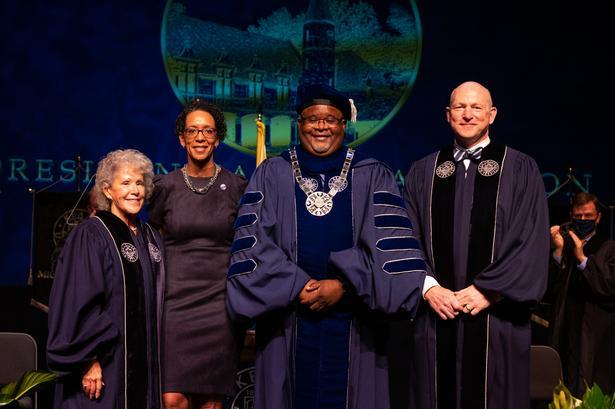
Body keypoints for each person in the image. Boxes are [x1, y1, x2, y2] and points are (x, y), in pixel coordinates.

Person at [226, 84, 427, 409]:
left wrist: (345, 287)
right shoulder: (272, 174)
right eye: (312, 119)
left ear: (344, 125)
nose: (321, 126)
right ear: (299, 123)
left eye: (331, 119)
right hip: (287, 322)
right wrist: (296, 285)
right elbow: (253, 246)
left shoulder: (373, 174)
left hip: (355, 324)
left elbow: (389, 251)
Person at [403, 81, 550, 409]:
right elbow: (404, 239)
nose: (467, 114)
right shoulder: (423, 171)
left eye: (476, 108)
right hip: (436, 316)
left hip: (496, 318)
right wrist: (428, 288)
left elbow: (532, 240)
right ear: (447, 114)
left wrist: (489, 289)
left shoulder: (519, 168)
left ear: (492, 115)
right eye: (459, 107)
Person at [148, 98, 247, 409]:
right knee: (172, 398)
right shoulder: (164, 187)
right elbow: (151, 239)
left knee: (211, 402)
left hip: (219, 305)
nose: (201, 137)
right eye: (193, 131)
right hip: (174, 305)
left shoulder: (237, 186)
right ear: (182, 138)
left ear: (218, 138)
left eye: (208, 131)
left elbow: (248, 244)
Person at [47, 149, 164, 409]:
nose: (135, 190)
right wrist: (88, 360)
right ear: (107, 190)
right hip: (106, 366)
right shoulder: (92, 235)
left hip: (143, 368)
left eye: (139, 183)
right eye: (125, 183)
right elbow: (78, 303)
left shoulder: (151, 237)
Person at [547, 192, 615, 396]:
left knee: (589, 387)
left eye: (588, 216)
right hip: (565, 330)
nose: (583, 220)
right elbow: (548, 290)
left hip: (594, 335)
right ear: (571, 215)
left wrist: (583, 259)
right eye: (578, 216)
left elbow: (609, 287)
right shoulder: (563, 244)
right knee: (561, 388)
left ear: (599, 218)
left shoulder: (608, 247)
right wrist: (558, 252)